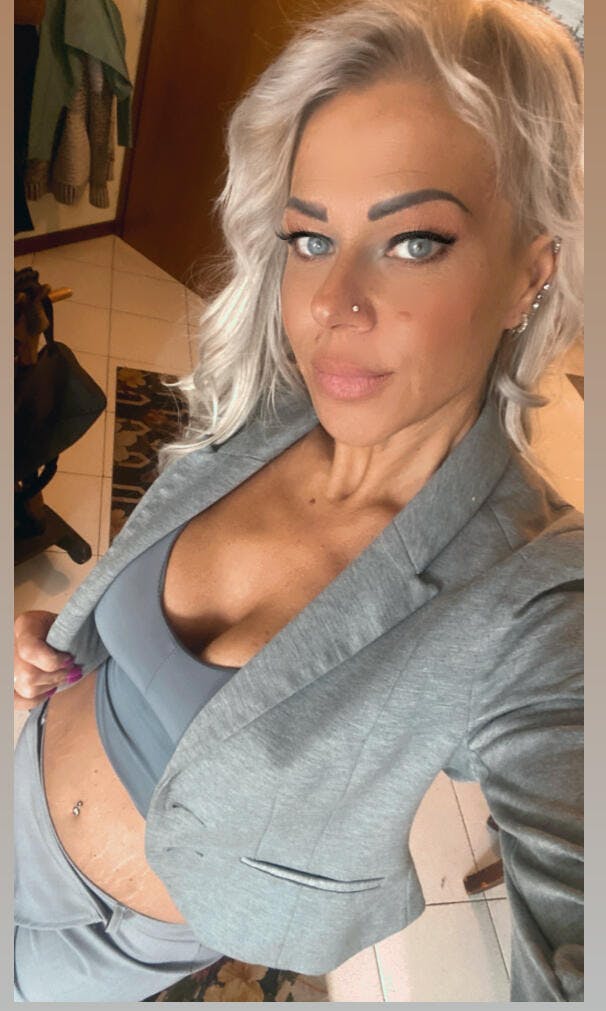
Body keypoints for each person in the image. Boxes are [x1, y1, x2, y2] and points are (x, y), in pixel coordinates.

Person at [13, 0, 583, 1002]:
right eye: (311, 238)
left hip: (108, 947)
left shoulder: (536, 600)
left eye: (414, 242)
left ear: (528, 274)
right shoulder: (266, 409)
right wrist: (80, 642)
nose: (330, 304)